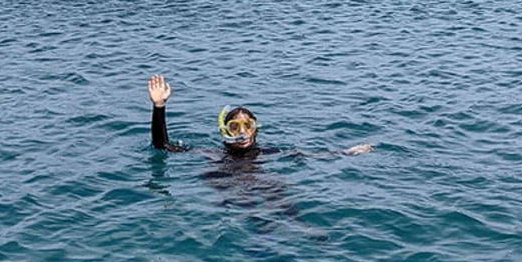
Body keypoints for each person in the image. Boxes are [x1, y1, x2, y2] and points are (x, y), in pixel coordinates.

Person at [147, 74, 373, 157]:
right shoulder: (213, 155)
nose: (243, 133)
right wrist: (159, 106)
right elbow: (162, 147)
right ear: (225, 131)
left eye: (248, 126)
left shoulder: (270, 152)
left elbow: (312, 154)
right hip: (234, 195)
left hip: (267, 190)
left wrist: (347, 152)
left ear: (256, 129)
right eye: (235, 127)